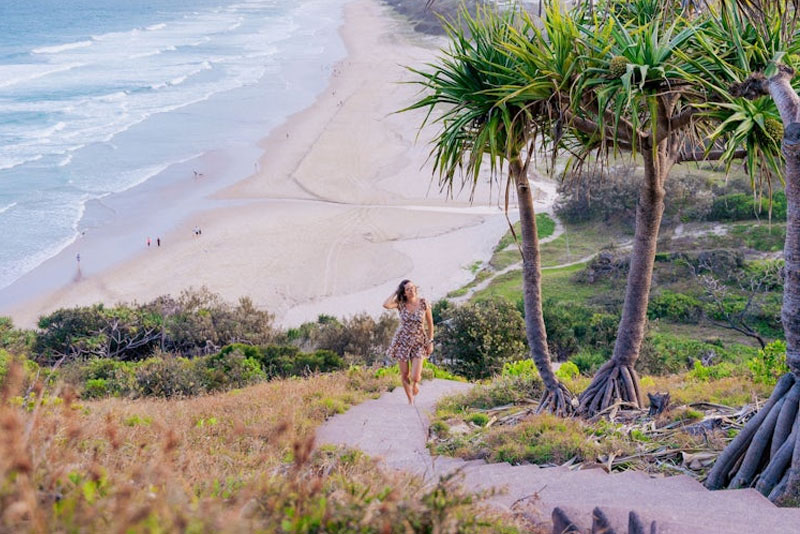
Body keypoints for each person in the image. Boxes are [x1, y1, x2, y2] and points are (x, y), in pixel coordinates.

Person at [383, 280, 434, 404]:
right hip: (402, 341)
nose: (412, 290)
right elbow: (386, 305)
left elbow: (430, 324)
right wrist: (396, 291)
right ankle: (410, 400)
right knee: (405, 374)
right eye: (408, 289)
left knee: (415, 376)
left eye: (413, 288)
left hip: (419, 341)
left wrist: (430, 341)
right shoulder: (400, 304)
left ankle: (415, 384)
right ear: (404, 293)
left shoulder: (423, 303)